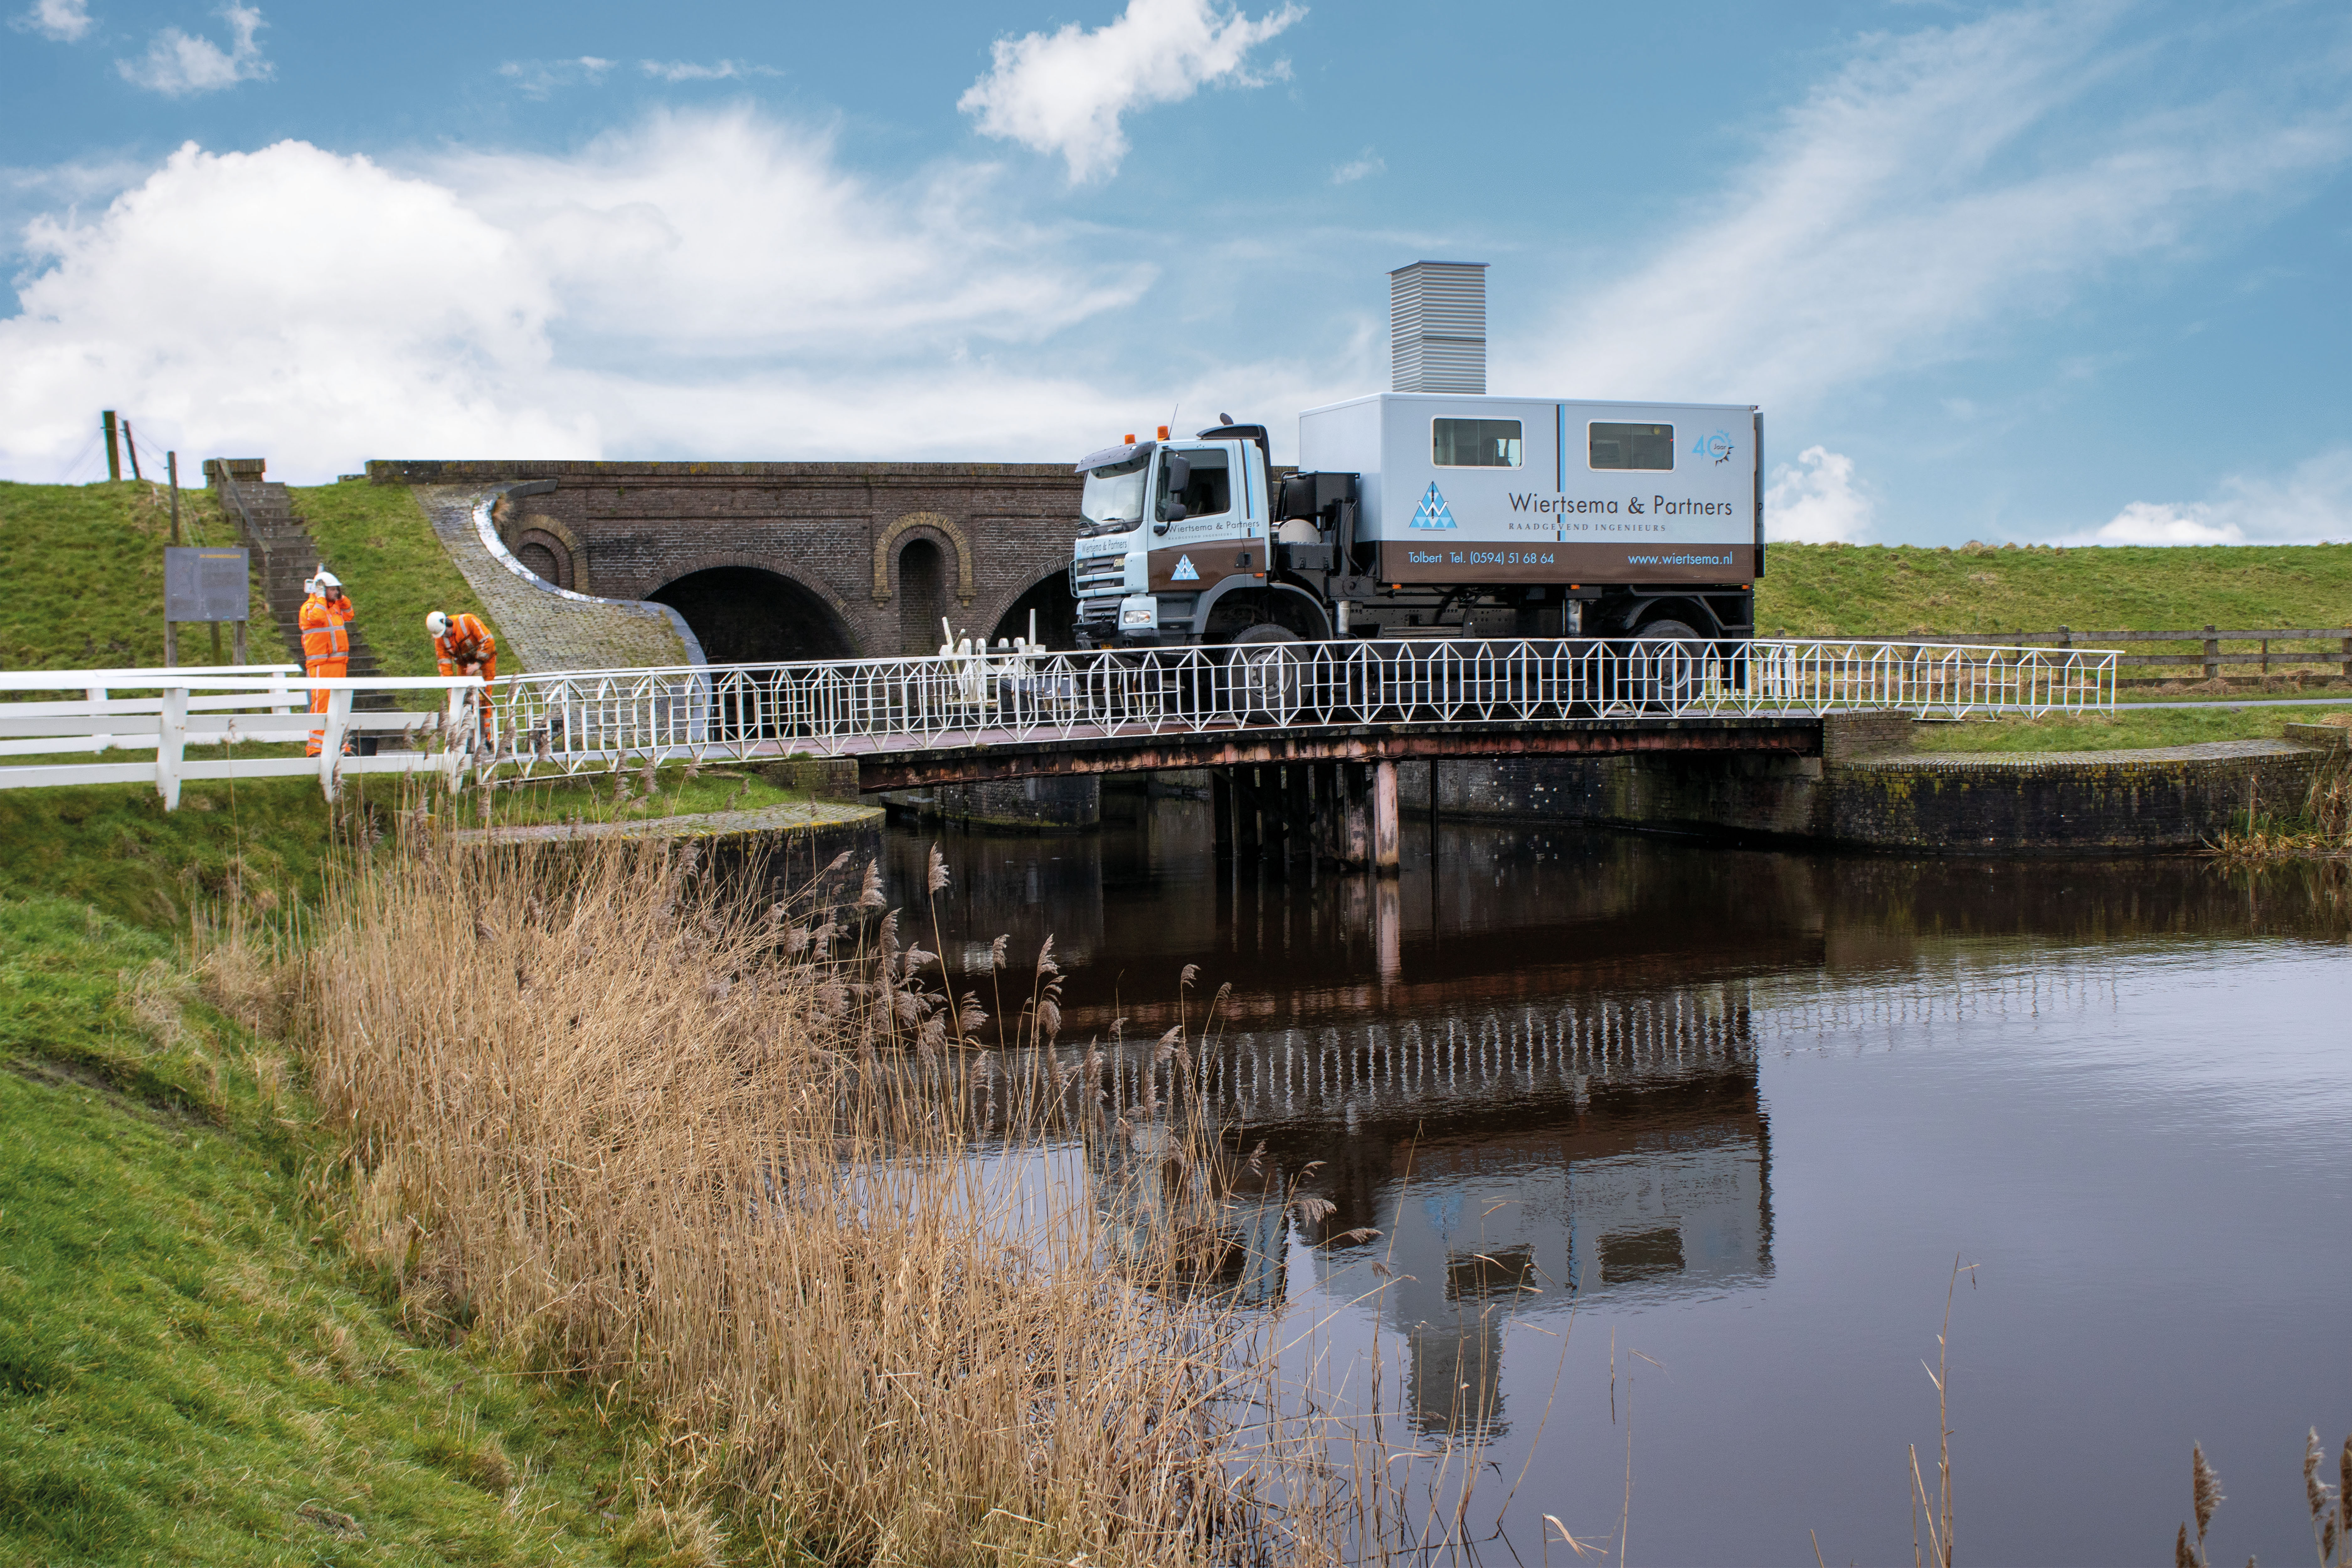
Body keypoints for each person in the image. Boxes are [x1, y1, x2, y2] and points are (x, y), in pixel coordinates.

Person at [299, 570, 356, 756]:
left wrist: (341, 598)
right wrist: (321, 598)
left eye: (337, 589)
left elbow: (350, 614)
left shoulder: (335, 607)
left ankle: (342, 747)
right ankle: (315, 748)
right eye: (333, 589)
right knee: (321, 706)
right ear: (321, 591)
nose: (337, 593)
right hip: (321, 666)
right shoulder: (310, 607)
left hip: (339, 664)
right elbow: (317, 618)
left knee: (339, 706)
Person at [426, 610, 497, 681]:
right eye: (441, 634)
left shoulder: (469, 620)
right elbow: (444, 664)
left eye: (444, 632)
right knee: (462, 690)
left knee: (485, 690)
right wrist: (449, 687)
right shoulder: (440, 638)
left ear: (449, 623)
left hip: (485, 661)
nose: (444, 636)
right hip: (464, 667)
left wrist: (477, 664)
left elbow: (488, 640)